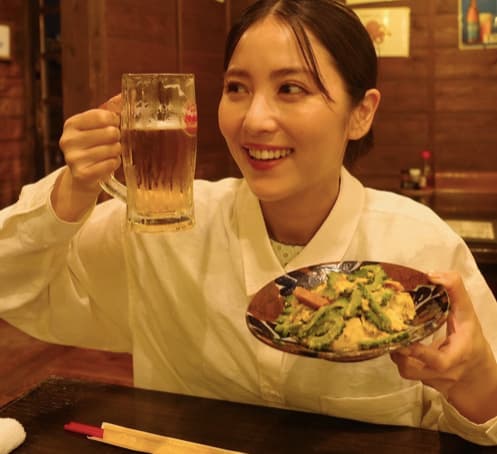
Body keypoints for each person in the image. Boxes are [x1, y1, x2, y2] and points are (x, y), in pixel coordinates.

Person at [1, 0, 497, 446]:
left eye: (291, 88)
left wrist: (476, 381)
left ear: (360, 113)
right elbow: (13, 287)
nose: (255, 120)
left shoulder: (417, 247)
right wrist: (73, 191)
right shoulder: (165, 224)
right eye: (237, 88)